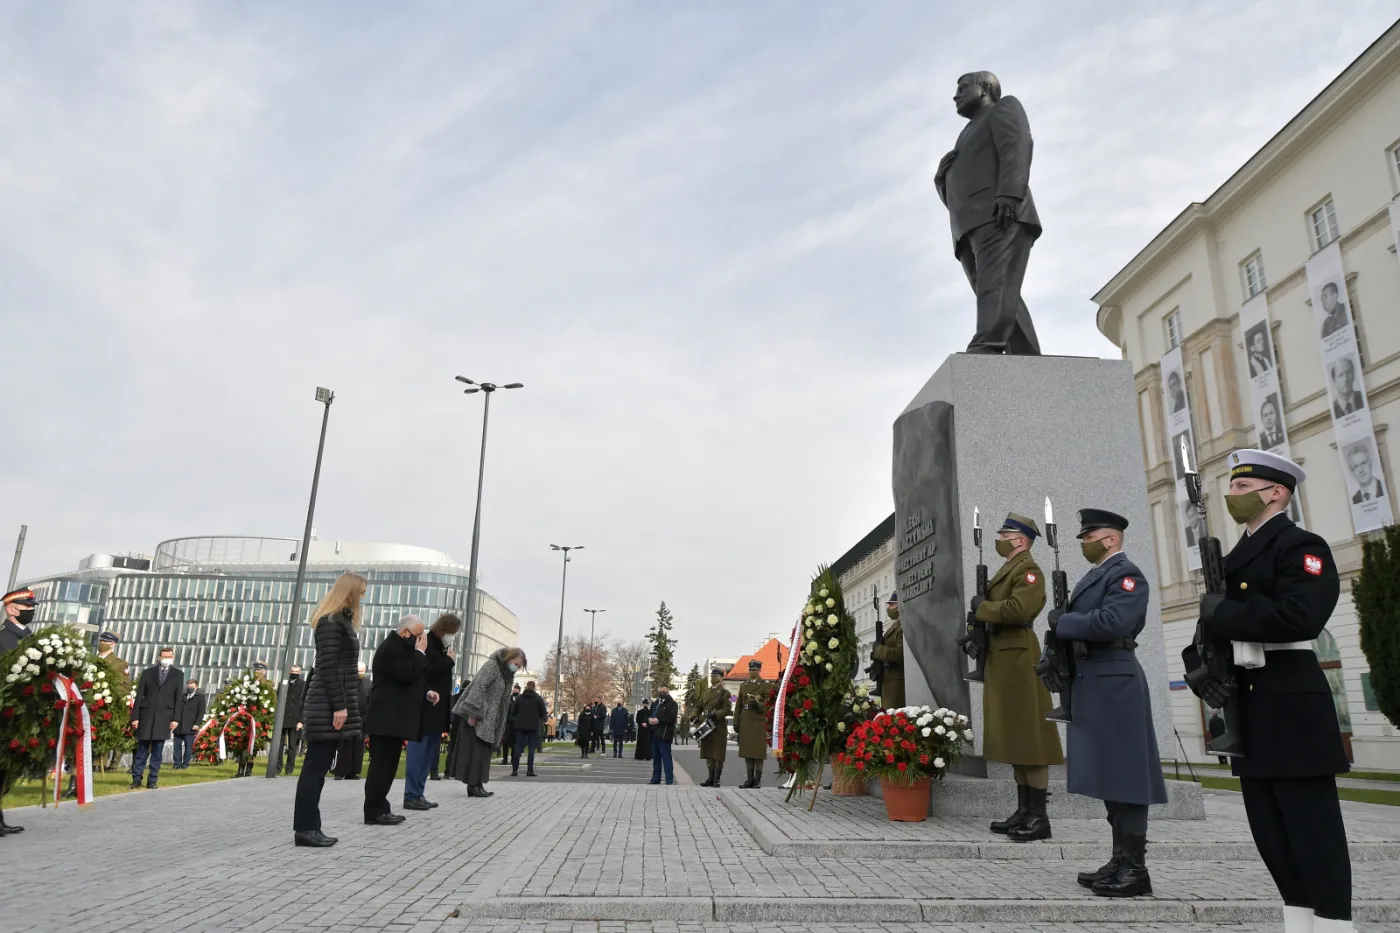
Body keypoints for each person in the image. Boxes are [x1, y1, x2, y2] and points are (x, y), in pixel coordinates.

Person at [1184, 449, 1352, 933]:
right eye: (1232, 487)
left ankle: (1335, 923)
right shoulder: (1231, 556)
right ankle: (1299, 922)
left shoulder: (1303, 546)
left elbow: (1301, 616)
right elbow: (1205, 631)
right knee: (1271, 832)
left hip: (1290, 699)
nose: (1231, 496)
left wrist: (1225, 614)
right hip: (1247, 703)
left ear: (1275, 492)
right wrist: (1200, 669)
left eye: (1241, 487)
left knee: (1311, 828)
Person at [1045, 509, 1167, 897]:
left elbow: (1113, 622)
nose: (1083, 542)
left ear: (1111, 539)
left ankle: (1135, 867)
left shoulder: (1126, 575)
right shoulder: (1097, 575)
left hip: (1115, 679)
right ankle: (1119, 859)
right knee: (1111, 776)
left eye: (1088, 536)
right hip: (1094, 679)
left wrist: (1062, 623)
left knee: (1127, 775)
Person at [969, 513, 1064, 842]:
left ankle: (1039, 817)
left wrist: (983, 608)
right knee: (1015, 740)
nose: (999, 537)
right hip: (1003, 659)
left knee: (1031, 739)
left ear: (1020, 540)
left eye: (1004, 533)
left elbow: (1018, 610)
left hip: (1020, 659)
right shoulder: (1009, 568)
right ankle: (1024, 809)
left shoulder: (1029, 570)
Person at [933, 70, 1042, 355]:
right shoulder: (965, 134)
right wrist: (942, 180)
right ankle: (1026, 354)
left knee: (995, 286)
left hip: (1000, 214)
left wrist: (1009, 193)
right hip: (969, 225)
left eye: (963, 87)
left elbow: (1016, 146)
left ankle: (987, 344)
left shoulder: (1003, 108)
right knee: (998, 290)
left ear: (985, 89)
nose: (955, 95)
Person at [294, 572, 366, 847]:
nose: (363, 595)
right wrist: (339, 706)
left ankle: (310, 826)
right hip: (326, 705)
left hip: (330, 703)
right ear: (348, 591)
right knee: (315, 768)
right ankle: (305, 828)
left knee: (319, 767)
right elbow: (328, 667)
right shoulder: (331, 623)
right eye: (361, 590)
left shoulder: (341, 621)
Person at [363, 615, 430, 826]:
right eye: (418, 636)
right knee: (381, 766)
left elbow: (410, 679)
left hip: (394, 719)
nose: (421, 640)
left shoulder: (402, 648)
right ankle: (374, 811)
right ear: (405, 632)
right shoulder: (390, 648)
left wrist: (425, 693)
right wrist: (420, 652)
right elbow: (406, 673)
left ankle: (382, 807)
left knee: (389, 766)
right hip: (385, 718)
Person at [450, 647, 527, 797]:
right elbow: (479, 687)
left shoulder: (506, 674)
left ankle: (478, 783)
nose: (515, 667)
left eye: (518, 666)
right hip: (478, 716)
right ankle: (473, 784)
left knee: (483, 752)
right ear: (509, 658)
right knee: (475, 751)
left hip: (489, 719)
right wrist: (473, 712)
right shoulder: (493, 666)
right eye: (515, 663)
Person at [404, 613, 459, 811]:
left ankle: (418, 793)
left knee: (428, 754)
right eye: (452, 633)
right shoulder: (428, 643)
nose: (453, 637)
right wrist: (449, 662)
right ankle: (411, 794)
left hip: (437, 710)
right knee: (419, 753)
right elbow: (427, 670)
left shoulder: (442, 647)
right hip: (425, 708)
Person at [1, 588, 37, 835]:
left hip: (23, 714)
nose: (31, 612)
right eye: (27, 608)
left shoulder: (31, 640)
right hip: (5, 713)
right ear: (11, 609)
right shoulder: (4, 639)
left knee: (8, 769)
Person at [129, 647, 187, 790]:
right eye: (164, 656)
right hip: (146, 716)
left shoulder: (178, 674)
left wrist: (175, 719)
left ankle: (152, 780)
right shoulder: (148, 673)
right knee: (142, 750)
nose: (166, 658)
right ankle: (136, 778)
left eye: (169, 656)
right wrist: (135, 717)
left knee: (157, 751)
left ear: (173, 658)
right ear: (159, 657)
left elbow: (178, 698)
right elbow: (139, 695)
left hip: (164, 717)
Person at [735, 660, 773, 789]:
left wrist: (759, 705)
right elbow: (738, 705)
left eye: (754, 670)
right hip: (746, 720)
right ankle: (749, 779)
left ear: (759, 671)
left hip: (758, 721)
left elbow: (769, 703)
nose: (752, 672)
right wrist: (736, 721)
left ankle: (757, 780)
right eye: (750, 670)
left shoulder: (764, 685)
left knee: (757, 752)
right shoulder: (743, 685)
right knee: (747, 752)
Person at [95, 631, 130, 770]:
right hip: (92, 702)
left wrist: (111, 693)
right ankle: (92, 762)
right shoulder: (92, 660)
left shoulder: (119, 664)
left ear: (114, 644)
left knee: (105, 733)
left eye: (107, 641)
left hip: (109, 703)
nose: (103, 643)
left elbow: (125, 686)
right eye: (102, 640)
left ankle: (101, 763)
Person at [333, 662, 370, 780]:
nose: (360, 673)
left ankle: (353, 772)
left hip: (361, 721)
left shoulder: (369, 684)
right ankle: (339, 772)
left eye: (362, 671)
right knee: (344, 746)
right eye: (358, 671)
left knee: (357, 748)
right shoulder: (346, 682)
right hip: (347, 720)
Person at [696, 667, 732, 787]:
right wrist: (694, 716)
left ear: (721, 678)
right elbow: (699, 706)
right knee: (708, 752)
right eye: (712, 676)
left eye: (716, 676)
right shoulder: (705, 692)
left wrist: (716, 714)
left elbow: (727, 709)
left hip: (718, 726)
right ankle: (710, 777)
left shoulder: (724, 693)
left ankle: (717, 778)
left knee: (718, 753)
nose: (713, 678)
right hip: (706, 726)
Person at [869, 591, 905, 708]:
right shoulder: (895, 625)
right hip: (888, 682)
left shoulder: (902, 627)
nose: (888, 608)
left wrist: (879, 650)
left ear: (900, 605)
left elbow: (899, 653)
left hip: (897, 684)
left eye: (891, 604)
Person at [510, 680, 548, 776]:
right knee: (531, 749)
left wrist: (516, 720)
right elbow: (543, 712)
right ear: (534, 687)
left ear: (526, 687)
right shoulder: (538, 699)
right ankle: (530, 770)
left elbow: (513, 712)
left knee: (518, 747)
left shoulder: (519, 698)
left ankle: (515, 769)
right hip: (533, 726)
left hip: (520, 726)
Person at [278, 665, 307, 776]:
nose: (294, 673)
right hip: (283, 718)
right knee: (279, 745)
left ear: (299, 673)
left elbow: (303, 704)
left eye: (296, 671)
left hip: (295, 719)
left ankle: (289, 768)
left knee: (292, 745)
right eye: (292, 671)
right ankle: (277, 767)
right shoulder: (283, 684)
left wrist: (301, 721)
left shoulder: (303, 685)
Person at [172, 678, 207, 770]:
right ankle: (176, 764)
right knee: (177, 746)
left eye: (192, 687)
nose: (190, 688)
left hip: (190, 726)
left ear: (196, 687)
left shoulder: (200, 697)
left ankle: (185, 764)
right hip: (179, 726)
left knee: (188, 747)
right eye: (189, 687)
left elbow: (201, 712)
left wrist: (197, 724)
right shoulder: (182, 696)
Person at [648, 685, 679, 785]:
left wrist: (658, 720)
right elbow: (651, 713)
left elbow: (671, 718)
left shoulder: (672, 704)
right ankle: (655, 778)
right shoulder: (656, 703)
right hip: (654, 733)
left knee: (666, 758)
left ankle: (669, 780)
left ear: (667, 693)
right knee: (656, 759)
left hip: (664, 734)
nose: (661, 693)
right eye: (660, 691)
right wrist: (649, 719)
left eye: (664, 692)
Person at [500, 683, 521, 765]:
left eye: (516, 689)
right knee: (505, 741)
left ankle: (513, 759)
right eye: (514, 689)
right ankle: (505, 759)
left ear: (519, 690)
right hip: (508, 722)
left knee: (514, 742)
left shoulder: (520, 698)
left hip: (516, 723)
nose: (514, 690)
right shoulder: (509, 698)